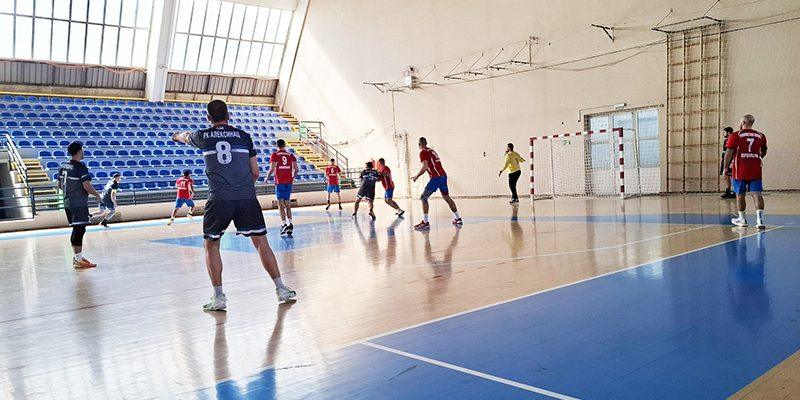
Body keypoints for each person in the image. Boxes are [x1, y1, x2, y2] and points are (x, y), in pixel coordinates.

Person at [171, 100, 296, 311]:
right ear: (228, 116)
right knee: (261, 242)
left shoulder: (202, 136)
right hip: (246, 197)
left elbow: (184, 136)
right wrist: (242, 186)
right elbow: (255, 172)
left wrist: (176, 136)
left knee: (211, 245)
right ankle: (281, 289)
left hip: (218, 198)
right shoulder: (244, 137)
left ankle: (218, 297)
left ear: (208, 118)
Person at [57, 141, 101, 269]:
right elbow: (86, 185)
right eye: (82, 150)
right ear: (79, 151)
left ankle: (78, 257)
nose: (83, 152)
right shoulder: (80, 167)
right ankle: (78, 260)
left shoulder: (63, 166)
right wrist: (97, 195)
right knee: (80, 229)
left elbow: (59, 185)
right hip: (78, 204)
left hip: (68, 202)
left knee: (76, 228)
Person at [723, 114, 767, 229]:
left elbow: (728, 153)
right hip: (756, 169)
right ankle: (760, 221)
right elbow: (764, 150)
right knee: (757, 194)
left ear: (743, 122)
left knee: (740, 195)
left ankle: (742, 220)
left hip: (740, 169)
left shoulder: (735, 135)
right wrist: (758, 157)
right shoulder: (760, 135)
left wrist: (725, 167)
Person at [410, 137, 462, 230]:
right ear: (426, 143)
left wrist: (416, 176)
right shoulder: (432, 151)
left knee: (423, 198)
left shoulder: (423, 153)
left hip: (436, 178)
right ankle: (458, 218)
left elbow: (425, 167)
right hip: (443, 176)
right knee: (446, 197)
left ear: (419, 145)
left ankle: (425, 222)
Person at [266, 139, 298, 236]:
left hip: (280, 181)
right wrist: (292, 177)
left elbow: (272, 168)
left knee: (280, 204)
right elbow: (296, 169)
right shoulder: (290, 155)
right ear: (284, 145)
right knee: (287, 203)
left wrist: (267, 177)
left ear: (277, 146)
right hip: (288, 181)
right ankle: (290, 224)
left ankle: (284, 224)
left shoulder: (275, 155)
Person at [720, 127, 736, 199]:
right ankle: (727, 191)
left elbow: (733, 152)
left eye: (724, 132)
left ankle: (735, 192)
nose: (723, 134)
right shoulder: (725, 141)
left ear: (728, 133)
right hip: (725, 160)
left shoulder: (733, 140)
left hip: (731, 160)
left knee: (733, 176)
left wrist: (732, 161)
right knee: (725, 175)